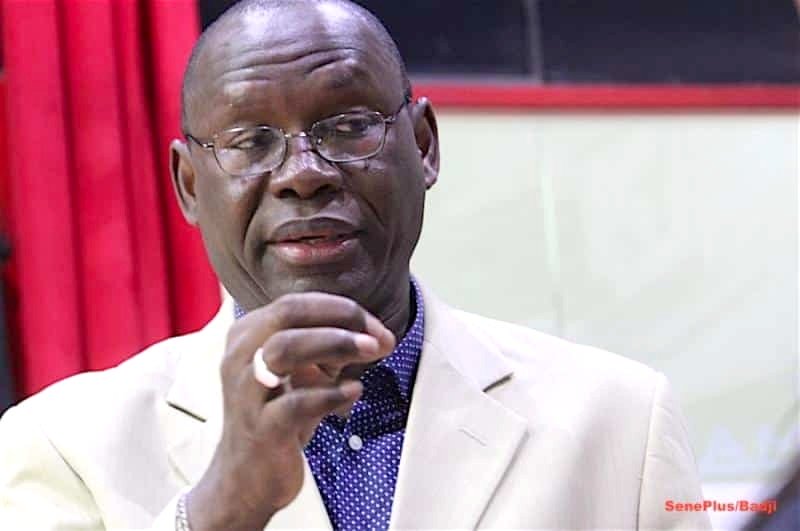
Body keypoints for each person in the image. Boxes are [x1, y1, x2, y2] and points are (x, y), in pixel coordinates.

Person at [0, 0, 711, 529]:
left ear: (424, 146)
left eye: (348, 126)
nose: (303, 174)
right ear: (189, 185)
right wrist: (218, 510)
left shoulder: (620, 420)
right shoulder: (65, 444)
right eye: (250, 141)